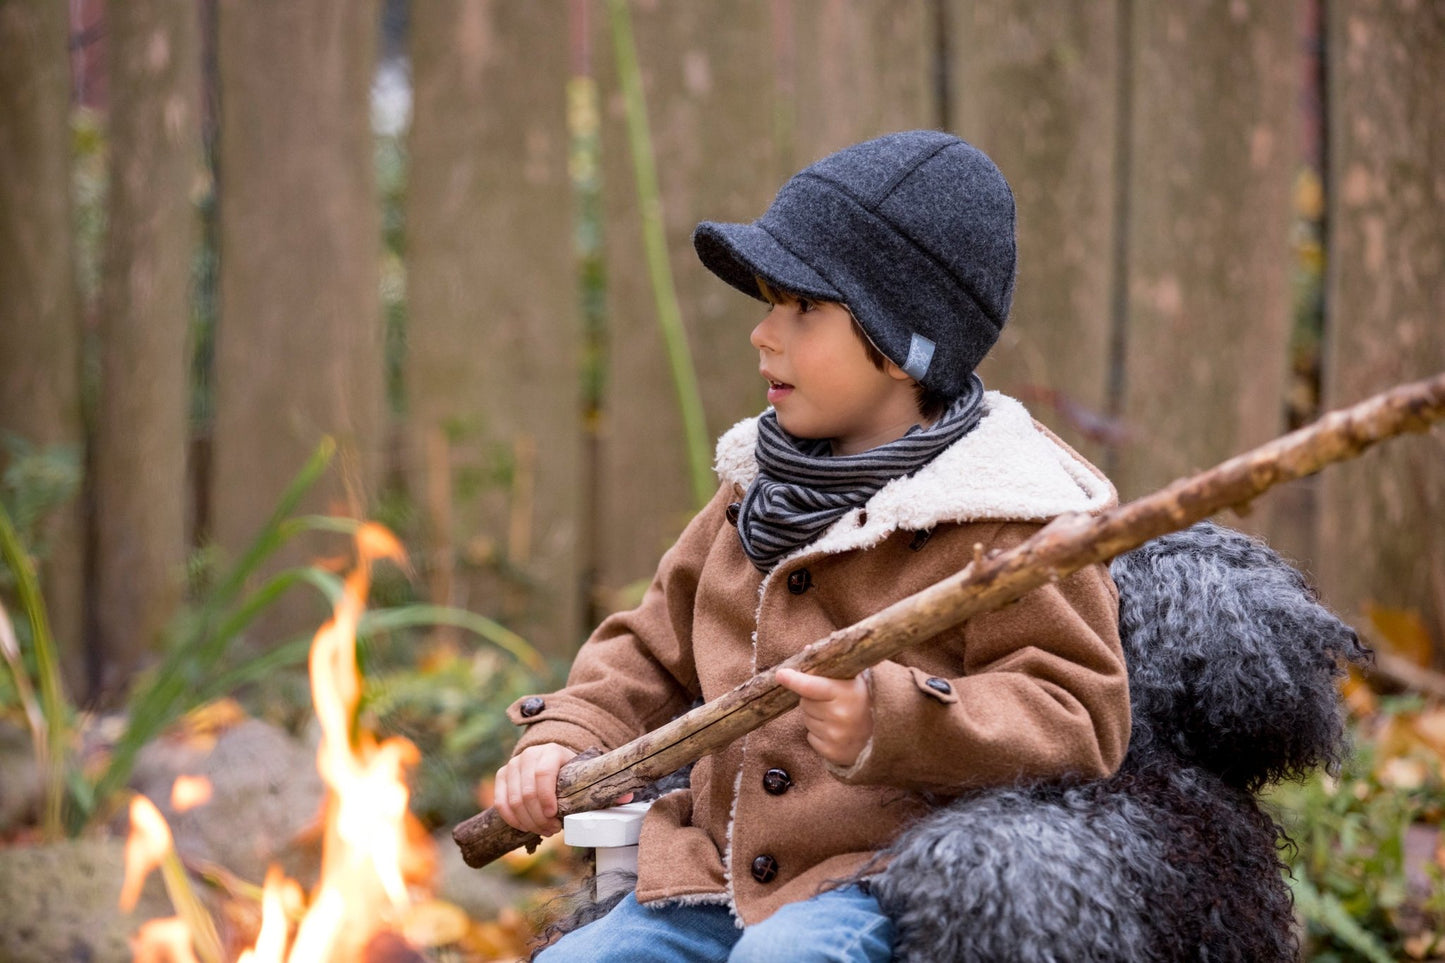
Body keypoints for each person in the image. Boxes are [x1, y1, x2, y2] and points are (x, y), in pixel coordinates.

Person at [494, 129, 1131, 963]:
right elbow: (649, 649)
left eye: (801, 309)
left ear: (902, 343)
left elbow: (1075, 713)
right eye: (768, 305)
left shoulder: (1010, 515)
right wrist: (567, 733)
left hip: (885, 878)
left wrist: (893, 715)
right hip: (712, 871)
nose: (763, 334)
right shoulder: (754, 489)